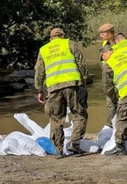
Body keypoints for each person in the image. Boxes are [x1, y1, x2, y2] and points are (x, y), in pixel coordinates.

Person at [34, 28, 89, 159]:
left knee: (55, 119)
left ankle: (59, 150)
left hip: (53, 88)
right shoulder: (69, 43)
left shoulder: (44, 49)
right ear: (63, 36)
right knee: (79, 113)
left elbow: (39, 72)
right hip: (72, 85)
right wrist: (84, 81)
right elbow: (81, 63)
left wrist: (39, 89)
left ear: (51, 38)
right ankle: (75, 143)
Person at [98, 23, 117, 128]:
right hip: (108, 79)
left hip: (119, 78)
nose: (101, 36)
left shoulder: (119, 43)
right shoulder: (105, 44)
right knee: (110, 104)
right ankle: (110, 126)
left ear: (110, 33)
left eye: (103, 33)